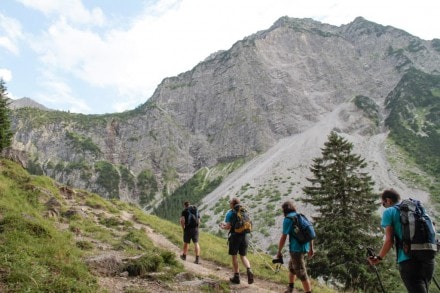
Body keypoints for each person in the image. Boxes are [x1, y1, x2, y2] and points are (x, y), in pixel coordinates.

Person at [368, 189, 434, 292]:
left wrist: (379, 258)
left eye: (383, 203)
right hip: (428, 257)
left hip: (407, 259)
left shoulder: (389, 212)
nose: (384, 206)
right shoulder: (416, 209)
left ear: (388, 200)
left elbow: (389, 241)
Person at [276, 201, 314, 293]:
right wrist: (311, 249)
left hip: (296, 249)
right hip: (304, 247)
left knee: (302, 273)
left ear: (284, 210)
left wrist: (279, 251)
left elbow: (284, 237)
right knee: (292, 268)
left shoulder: (288, 219)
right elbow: (310, 233)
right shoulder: (300, 216)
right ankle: (290, 288)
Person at [219, 197, 254, 285]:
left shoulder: (230, 213)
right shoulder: (244, 211)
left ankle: (236, 277)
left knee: (234, 256)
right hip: (245, 236)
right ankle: (249, 270)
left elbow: (228, 227)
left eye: (230, 202)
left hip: (235, 236)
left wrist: (222, 226)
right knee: (243, 256)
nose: (229, 204)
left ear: (233, 204)